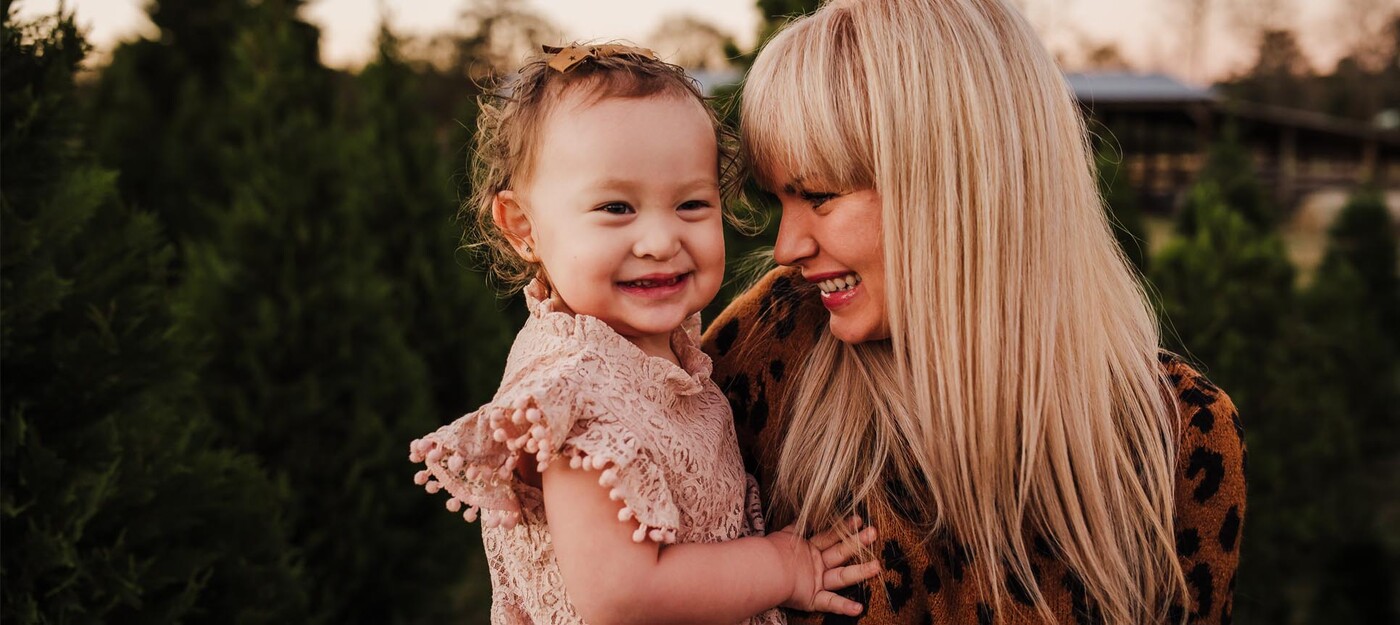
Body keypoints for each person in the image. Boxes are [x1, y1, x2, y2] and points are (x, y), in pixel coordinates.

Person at [702, 1, 1247, 624]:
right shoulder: (773, 343)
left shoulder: (1181, 434)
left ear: (951, 184)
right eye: (780, 200)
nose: (786, 246)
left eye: (820, 196)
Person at [409, 43, 881, 625]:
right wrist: (783, 568)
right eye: (615, 207)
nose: (660, 240)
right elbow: (622, 596)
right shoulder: (573, 394)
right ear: (523, 227)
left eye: (690, 203)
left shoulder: (655, 354)